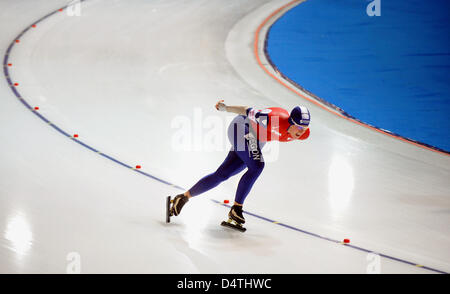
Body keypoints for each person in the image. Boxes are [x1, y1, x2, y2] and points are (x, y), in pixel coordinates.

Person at [169, 100, 310, 227]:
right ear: (291, 122)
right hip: (242, 127)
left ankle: (183, 197)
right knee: (257, 166)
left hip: (257, 138)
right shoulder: (272, 118)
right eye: (298, 127)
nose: (301, 132)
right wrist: (225, 108)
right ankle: (236, 209)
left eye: (304, 128)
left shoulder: (304, 133)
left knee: (223, 174)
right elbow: (246, 109)